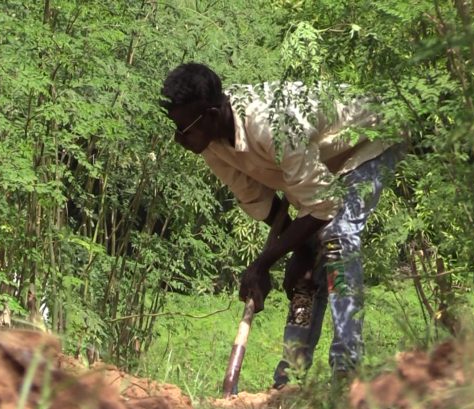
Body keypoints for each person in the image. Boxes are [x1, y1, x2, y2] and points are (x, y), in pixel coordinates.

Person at [160, 62, 404, 387]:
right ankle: (290, 374)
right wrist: (298, 250)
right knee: (304, 278)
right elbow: (262, 201)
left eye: (185, 127)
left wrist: (264, 262)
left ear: (213, 113)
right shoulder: (211, 145)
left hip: (367, 144)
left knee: (338, 239)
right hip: (318, 172)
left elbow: (323, 205)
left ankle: (347, 370)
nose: (180, 139)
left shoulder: (271, 123)